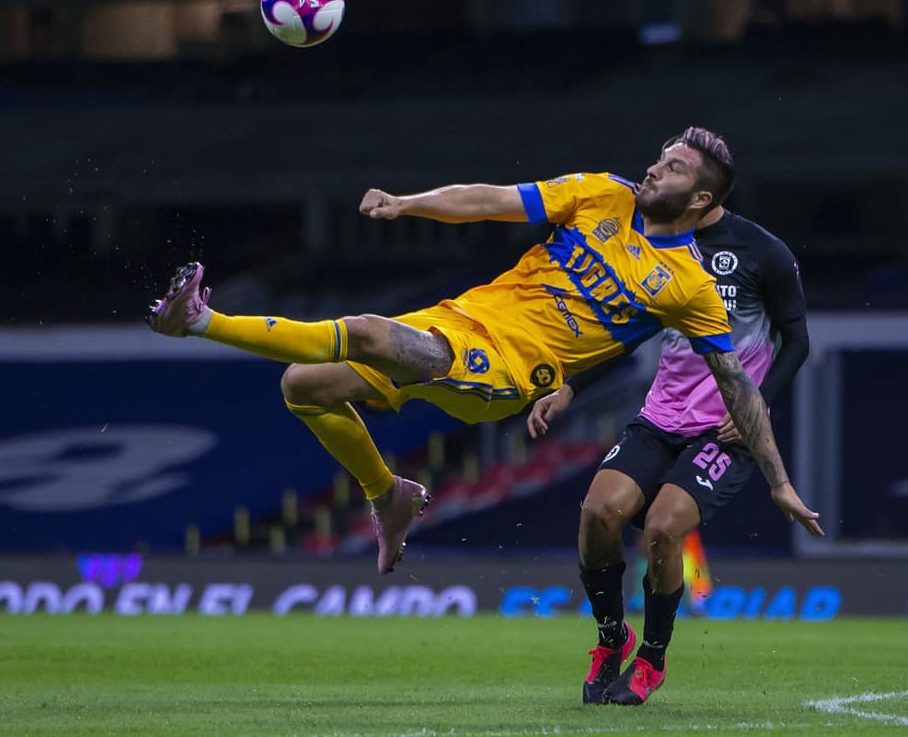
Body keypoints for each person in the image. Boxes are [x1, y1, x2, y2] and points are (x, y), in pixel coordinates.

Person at [146, 127, 820, 582]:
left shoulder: (690, 287)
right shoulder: (600, 194)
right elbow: (491, 201)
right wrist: (410, 202)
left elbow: (735, 383)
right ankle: (390, 495)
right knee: (305, 385)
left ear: (700, 196)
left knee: (369, 331)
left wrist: (780, 480)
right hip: (459, 322)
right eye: (660, 154)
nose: (654, 165)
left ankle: (201, 320)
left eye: (675, 165)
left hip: (500, 373)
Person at [526, 197, 819, 706]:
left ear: (704, 189)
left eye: (671, 167)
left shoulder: (762, 252)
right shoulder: (649, 244)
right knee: (598, 512)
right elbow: (625, 331)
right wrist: (570, 386)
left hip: (724, 431)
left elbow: (797, 341)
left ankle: (652, 659)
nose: (655, 176)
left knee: (663, 527)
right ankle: (612, 639)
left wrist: (756, 403)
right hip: (659, 419)